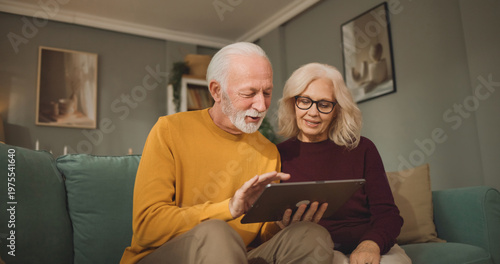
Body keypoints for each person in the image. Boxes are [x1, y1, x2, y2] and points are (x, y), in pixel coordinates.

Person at [120, 43, 334, 264]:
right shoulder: (169, 130)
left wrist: (281, 224)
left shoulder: (269, 151)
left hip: (240, 255)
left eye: (267, 92)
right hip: (163, 256)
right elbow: (147, 227)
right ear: (216, 91)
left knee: (311, 236)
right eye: (249, 93)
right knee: (216, 233)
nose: (261, 105)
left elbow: (261, 236)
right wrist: (228, 208)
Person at [276, 63, 412, 264]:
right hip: (317, 250)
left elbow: (388, 215)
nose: (313, 112)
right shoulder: (279, 155)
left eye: (323, 104)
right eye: (304, 101)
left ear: (336, 110)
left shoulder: (363, 149)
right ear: (292, 104)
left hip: (369, 244)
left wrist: (371, 244)